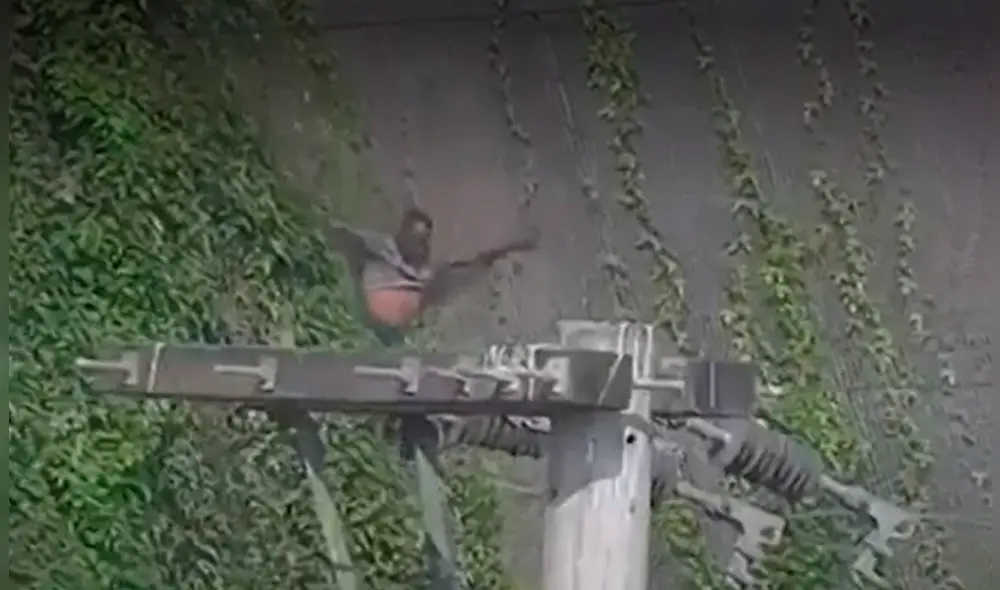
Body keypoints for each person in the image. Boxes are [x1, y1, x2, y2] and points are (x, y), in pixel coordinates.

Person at [324, 206, 540, 346]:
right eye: (416, 239)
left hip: (399, 335)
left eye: (425, 241)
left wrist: (514, 246)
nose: (421, 246)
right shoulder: (381, 247)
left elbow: (475, 259)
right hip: (369, 323)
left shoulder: (426, 271)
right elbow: (344, 234)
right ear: (402, 234)